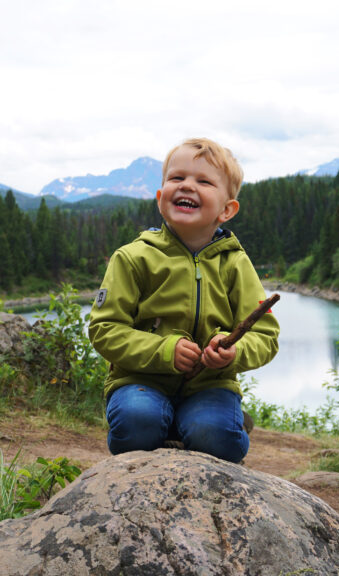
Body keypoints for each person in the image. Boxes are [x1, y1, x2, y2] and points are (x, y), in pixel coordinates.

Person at [88, 137, 280, 463]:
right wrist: (164, 351)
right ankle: (166, 424)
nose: (187, 186)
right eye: (177, 178)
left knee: (218, 438)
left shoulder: (235, 263)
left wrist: (233, 353)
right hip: (139, 381)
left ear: (227, 210)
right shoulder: (133, 257)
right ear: (161, 199)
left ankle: (214, 422)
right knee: (137, 424)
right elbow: (104, 329)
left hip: (210, 385)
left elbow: (265, 336)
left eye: (203, 181)